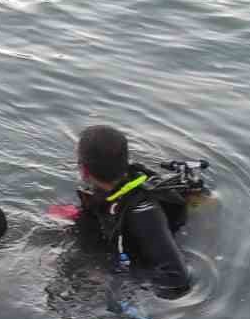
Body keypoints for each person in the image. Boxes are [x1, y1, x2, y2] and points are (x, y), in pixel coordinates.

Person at [73, 125, 195, 299]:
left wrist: (115, 279)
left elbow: (177, 278)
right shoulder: (107, 189)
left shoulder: (143, 212)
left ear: (84, 171)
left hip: (140, 265)